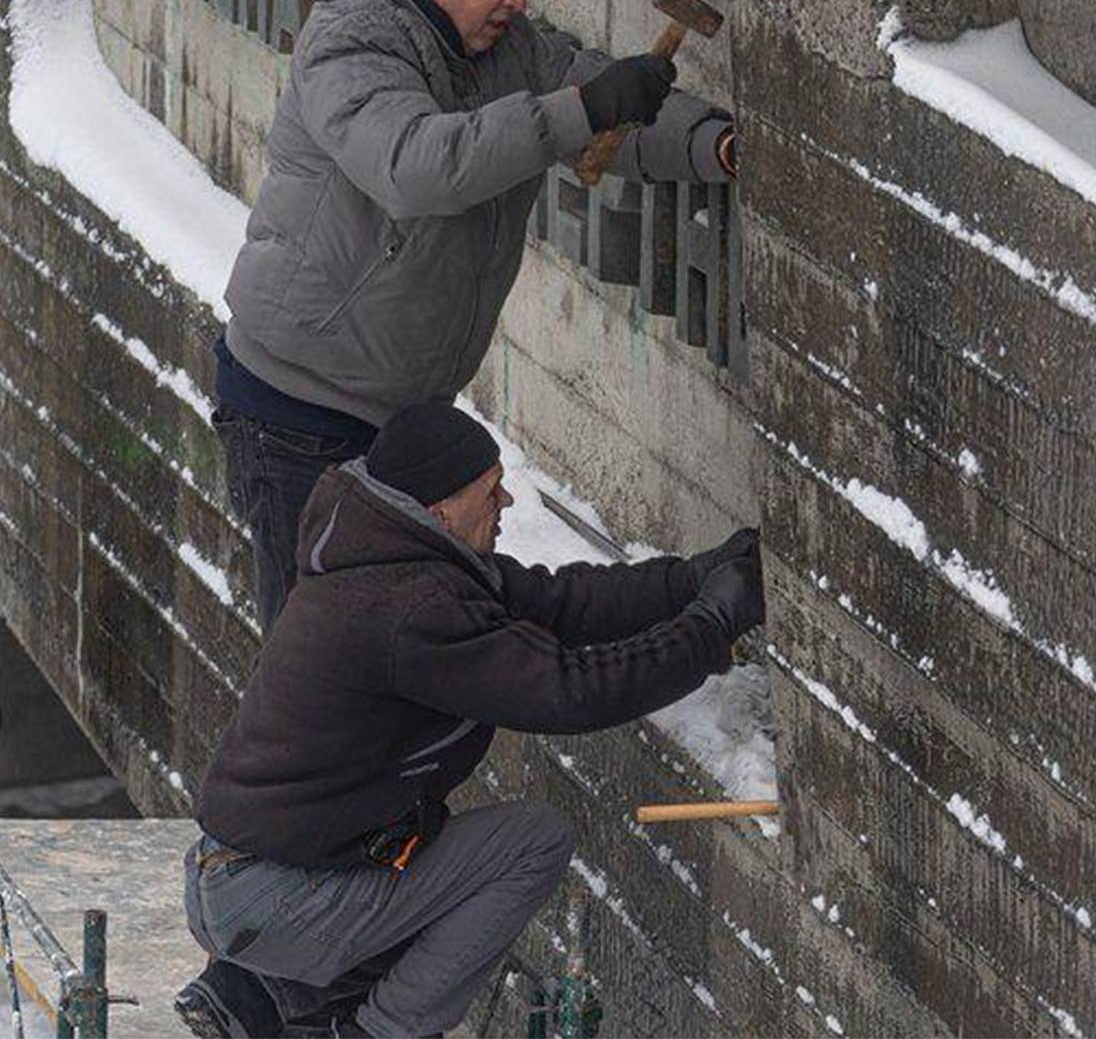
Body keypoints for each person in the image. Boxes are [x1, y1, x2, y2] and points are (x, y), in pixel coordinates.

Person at [213, 0, 738, 634]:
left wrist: (710, 144)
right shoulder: (352, 43)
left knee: (394, 656)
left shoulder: (500, 44)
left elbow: (584, 94)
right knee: (319, 667)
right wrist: (583, 110)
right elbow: (417, 166)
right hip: (295, 418)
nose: (519, 0)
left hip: (395, 422)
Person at [174, 402, 764, 1038]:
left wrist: (693, 580)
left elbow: (559, 602)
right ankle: (376, 1031)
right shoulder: (412, 609)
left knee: (431, 874)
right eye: (490, 491)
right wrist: (709, 628)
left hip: (247, 879)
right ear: (438, 512)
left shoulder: (391, 558)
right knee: (528, 843)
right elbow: (570, 692)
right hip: (274, 896)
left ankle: (262, 995)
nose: (507, 501)